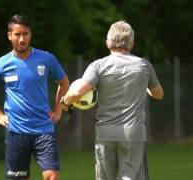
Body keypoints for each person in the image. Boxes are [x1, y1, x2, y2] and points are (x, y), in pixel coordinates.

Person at [61, 20, 164, 180]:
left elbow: (76, 91)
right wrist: (144, 85)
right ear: (132, 43)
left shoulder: (98, 66)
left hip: (105, 134)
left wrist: (66, 102)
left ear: (108, 42)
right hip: (133, 134)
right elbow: (159, 94)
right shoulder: (144, 66)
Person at [0, 14, 69, 180]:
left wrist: (58, 110)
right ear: (9, 35)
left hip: (44, 129)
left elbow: (64, 82)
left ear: (30, 34)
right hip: (16, 131)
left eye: (25, 34)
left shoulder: (46, 58)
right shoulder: (1, 64)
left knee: (52, 177)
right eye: (17, 34)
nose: (22, 39)